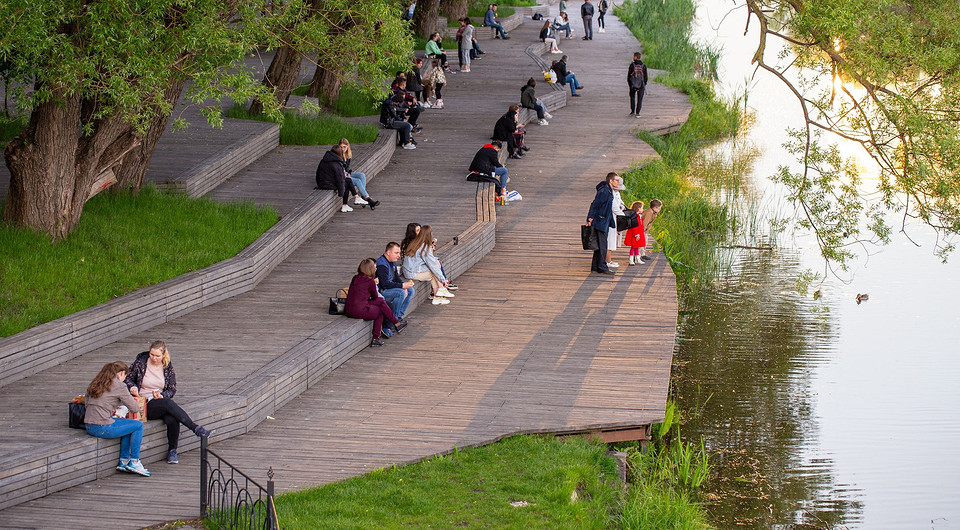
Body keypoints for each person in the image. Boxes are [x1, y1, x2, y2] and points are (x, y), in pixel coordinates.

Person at [125, 340, 212, 464]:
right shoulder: (140, 362)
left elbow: (172, 389)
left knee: (172, 418)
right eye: (152, 354)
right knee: (167, 403)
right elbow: (127, 378)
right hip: (143, 403)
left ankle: (172, 451)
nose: (154, 358)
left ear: (164, 355)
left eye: (157, 356)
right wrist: (132, 387)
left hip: (158, 400)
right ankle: (195, 428)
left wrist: (161, 395)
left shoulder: (167, 366)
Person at [83, 361, 151, 476]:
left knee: (127, 425)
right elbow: (134, 408)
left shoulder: (96, 383)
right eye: (125, 376)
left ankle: (124, 461)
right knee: (138, 426)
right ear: (121, 373)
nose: (124, 379)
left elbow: (87, 403)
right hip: (103, 426)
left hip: (89, 425)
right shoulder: (119, 386)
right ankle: (134, 461)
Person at [346, 259, 405, 347]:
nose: (376, 269)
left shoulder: (355, 278)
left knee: (380, 302)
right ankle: (376, 337)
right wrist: (375, 284)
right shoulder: (370, 281)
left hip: (348, 309)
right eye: (374, 267)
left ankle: (396, 323)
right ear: (370, 269)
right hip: (359, 310)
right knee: (380, 309)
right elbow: (375, 297)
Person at [402, 225, 455, 304]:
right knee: (433, 272)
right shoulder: (425, 247)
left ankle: (439, 293)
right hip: (412, 273)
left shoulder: (415, 243)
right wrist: (443, 280)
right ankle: (439, 293)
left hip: (408, 270)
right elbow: (432, 264)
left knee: (434, 271)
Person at [376, 242, 415, 328]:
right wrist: (401, 286)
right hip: (382, 292)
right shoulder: (381, 264)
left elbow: (396, 278)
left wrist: (404, 285)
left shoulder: (392, 261)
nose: (399, 255)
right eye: (396, 253)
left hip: (390, 288)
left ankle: (399, 315)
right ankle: (395, 320)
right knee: (400, 292)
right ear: (388, 252)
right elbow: (385, 284)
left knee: (411, 290)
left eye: (399, 253)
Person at [585, 172, 618, 274]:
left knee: (599, 245)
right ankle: (602, 266)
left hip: (604, 220)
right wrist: (590, 218)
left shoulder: (608, 190)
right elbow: (595, 204)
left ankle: (595, 266)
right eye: (616, 180)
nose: (618, 182)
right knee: (603, 245)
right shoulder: (604, 191)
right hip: (601, 221)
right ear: (611, 181)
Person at [316, 143, 364, 211]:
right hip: (328, 184)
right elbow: (340, 179)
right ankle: (349, 202)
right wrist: (341, 193)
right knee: (346, 183)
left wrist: (318, 183)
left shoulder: (324, 160)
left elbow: (318, 173)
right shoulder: (336, 164)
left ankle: (353, 200)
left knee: (347, 180)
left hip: (322, 182)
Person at [337, 138, 380, 210]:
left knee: (361, 175)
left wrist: (349, 173)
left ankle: (363, 197)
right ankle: (368, 199)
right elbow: (338, 169)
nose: (342, 149)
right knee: (357, 181)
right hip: (341, 175)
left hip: (346, 173)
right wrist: (346, 174)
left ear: (348, 146)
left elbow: (347, 168)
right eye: (341, 147)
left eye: (344, 147)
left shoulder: (347, 155)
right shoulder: (338, 155)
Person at [605, 174, 626, 268]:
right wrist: (625, 215)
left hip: (616, 218)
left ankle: (609, 259)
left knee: (613, 240)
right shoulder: (610, 193)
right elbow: (614, 208)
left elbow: (620, 202)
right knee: (610, 240)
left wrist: (622, 207)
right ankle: (607, 260)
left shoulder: (616, 193)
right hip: (611, 219)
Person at [627, 51, 649, 117]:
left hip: (633, 84)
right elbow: (645, 77)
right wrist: (644, 84)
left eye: (634, 56)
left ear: (636, 57)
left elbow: (629, 76)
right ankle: (638, 112)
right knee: (640, 99)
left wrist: (630, 84)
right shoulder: (643, 65)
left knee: (632, 97)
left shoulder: (632, 65)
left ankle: (632, 111)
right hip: (641, 84)